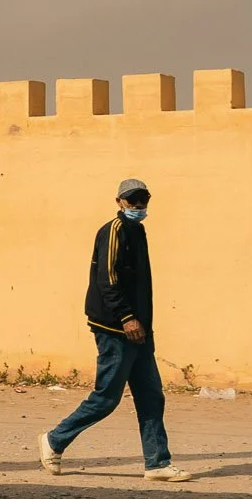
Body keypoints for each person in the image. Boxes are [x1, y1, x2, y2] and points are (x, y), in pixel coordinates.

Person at [39, 178, 188, 480]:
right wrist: (127, 317)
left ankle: (157, 463)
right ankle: (54, 440)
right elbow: (107, 279)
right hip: (116, 326)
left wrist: (142, 323)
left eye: (143, 199)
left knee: (151, 396)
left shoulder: (138, 230)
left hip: (139, 329)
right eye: (132, 199)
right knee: (107, 397)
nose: (138, 205)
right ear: (119, 201)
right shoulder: (114, 230)